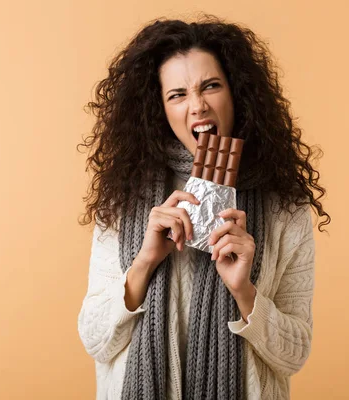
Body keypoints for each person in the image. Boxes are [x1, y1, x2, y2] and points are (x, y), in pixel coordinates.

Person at [77, 14, 330, 400]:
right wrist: (143, 262)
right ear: (158, 108)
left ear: (236, 93)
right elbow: (96, 341)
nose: (197, 106)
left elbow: (294, 354)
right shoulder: (124, 199)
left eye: (210, 86)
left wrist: (244, 291)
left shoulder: (283, 206)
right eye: (177, 94)